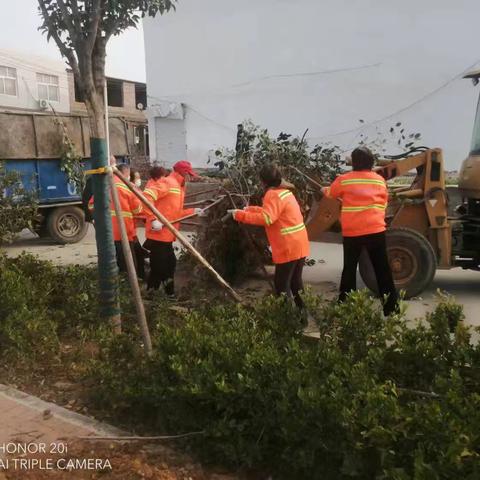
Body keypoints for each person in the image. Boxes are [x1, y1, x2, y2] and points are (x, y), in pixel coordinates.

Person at [323, 146, 399, 316]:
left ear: (354, 163)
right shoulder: (380, 180)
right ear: (371, 162)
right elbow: (384, 201)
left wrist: (324, 190)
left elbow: (331, 194)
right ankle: (391, 308)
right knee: (382, 269)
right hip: (376, 230)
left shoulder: (345, 179)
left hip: (353, 233)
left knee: (349, 268)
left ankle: (346, 306)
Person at [230, 164, 310, 309]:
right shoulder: (286, 192)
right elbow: (273, 212)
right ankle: (303, 315)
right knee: (295, 282)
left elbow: (267, 219)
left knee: (281, 285)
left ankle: (287, 319)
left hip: (287, 246)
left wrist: (240, 215)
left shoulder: (271, 195)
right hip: (299, 242)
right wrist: (250, 209)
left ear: (263, 181)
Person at [142, 160, 204, 298]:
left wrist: (194, 211)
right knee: (165, 265)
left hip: (166, 234)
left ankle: (151, 291)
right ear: (182, 172)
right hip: (159, 234)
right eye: (189, 175)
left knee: (162, 265)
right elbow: (146, 196)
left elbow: (175, 213)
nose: (191, 178)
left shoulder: (179, 187)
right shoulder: (168, 183)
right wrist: (153, 219)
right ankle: (169, 293)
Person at [88, 163, 144, 277]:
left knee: (110, 265)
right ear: (126, 173)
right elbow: (137, 209)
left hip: (106, 234)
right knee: (128, 266)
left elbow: (91, 205)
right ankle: (126, 289)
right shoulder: (127, 187)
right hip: (122, 234)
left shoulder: (104, 185)